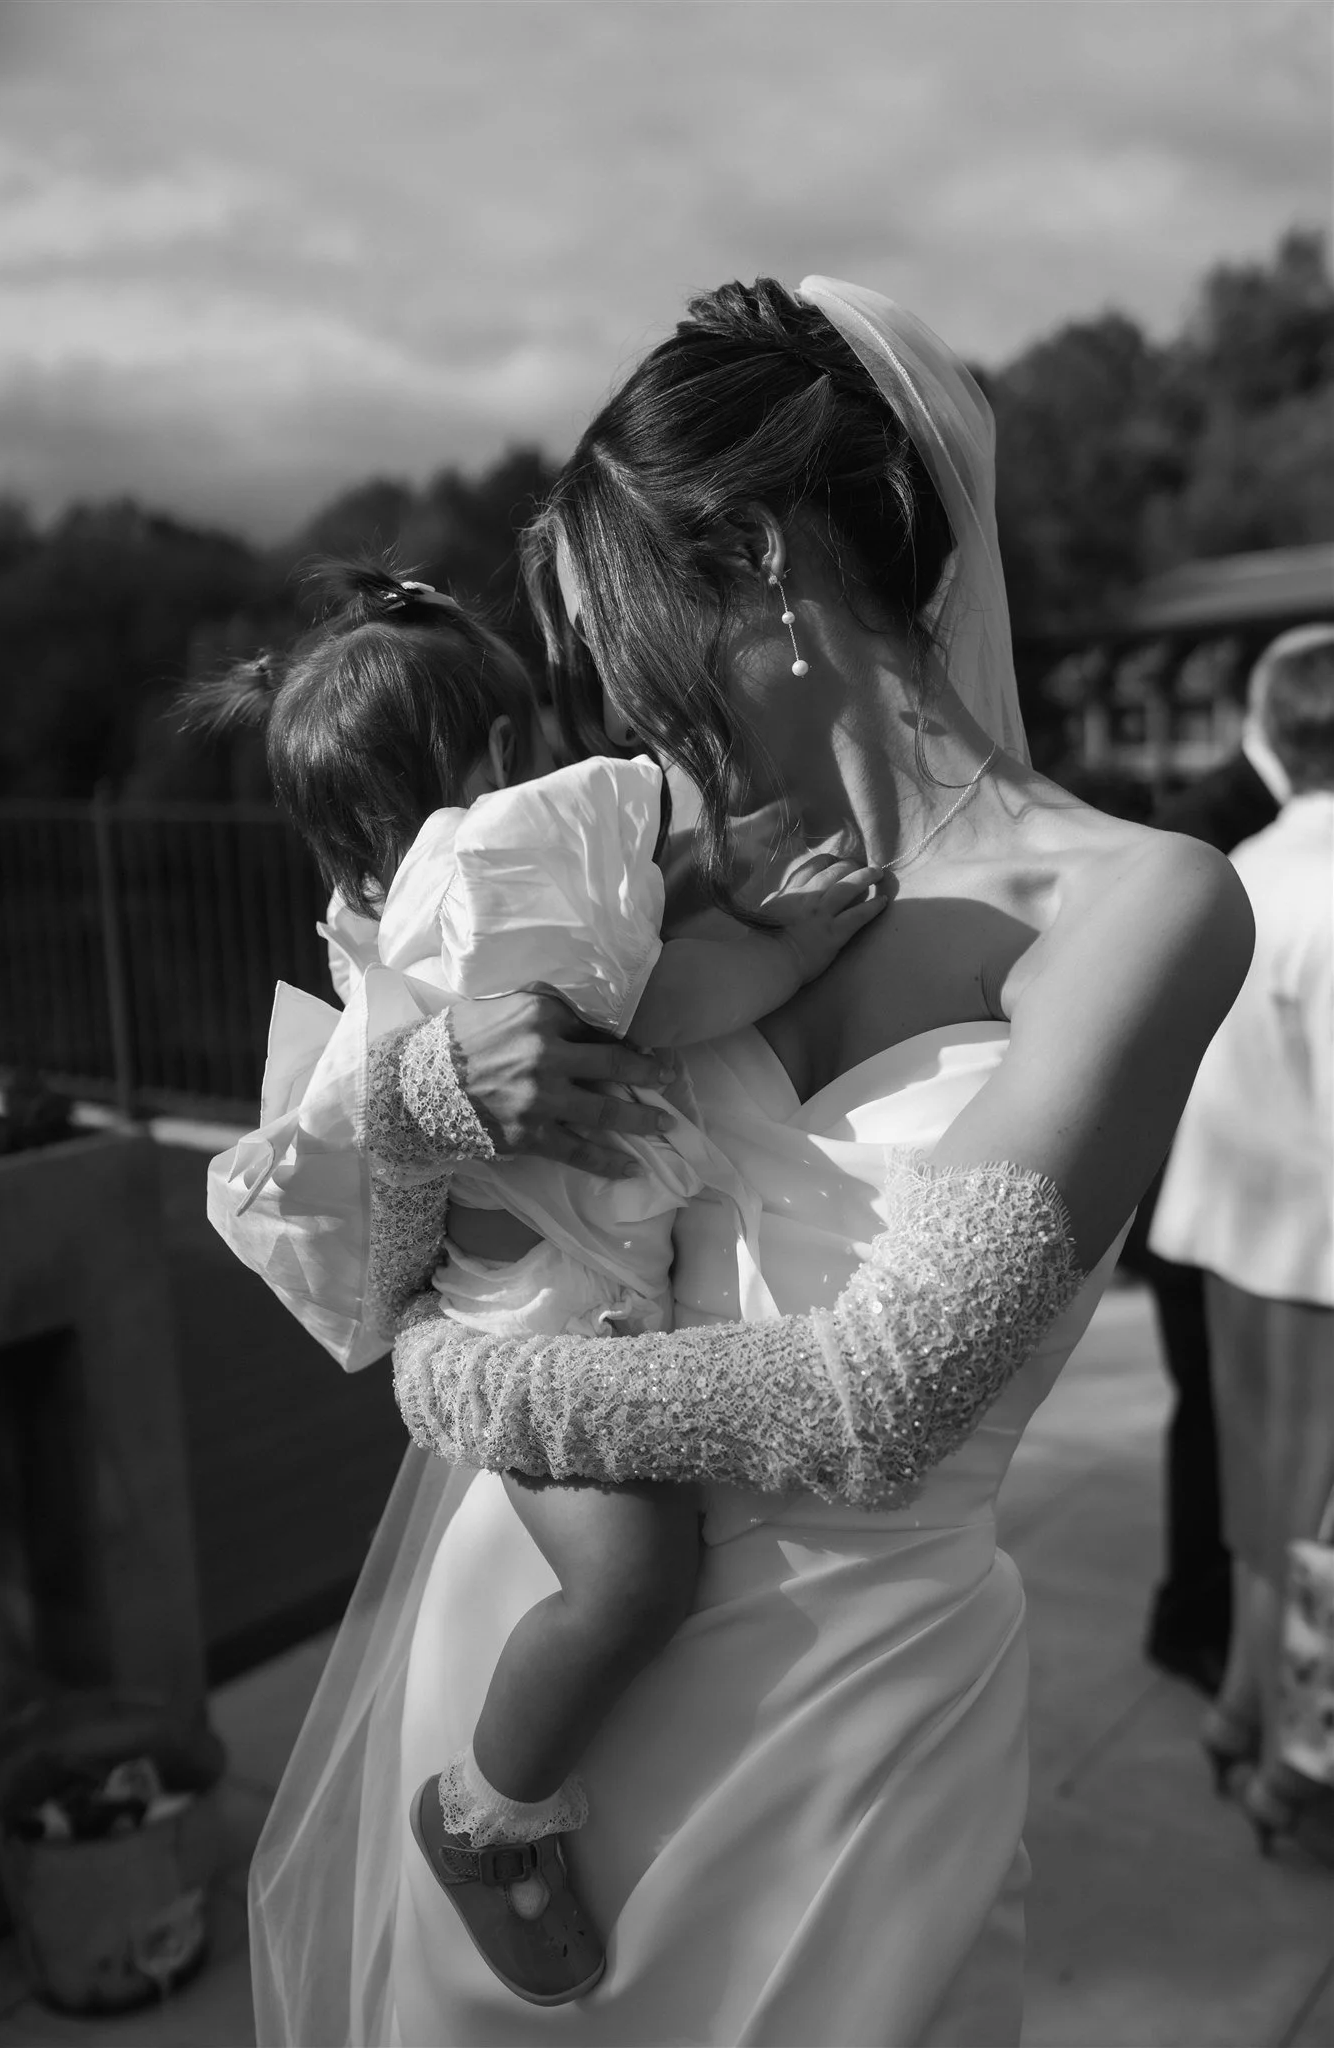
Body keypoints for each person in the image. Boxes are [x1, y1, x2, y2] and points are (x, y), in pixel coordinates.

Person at [249, 278, 1251, 2048]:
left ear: (768, 563)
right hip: (533, 1643)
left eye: (625, 624)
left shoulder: (1140, 902)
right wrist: (423, 1091)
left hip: (839, 1713)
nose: (612, 689)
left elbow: (881, 1394)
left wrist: (458, 1380)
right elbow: (400, 1236)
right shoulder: (663, 869)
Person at [199, 563, 884, 2004]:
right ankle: (486, 1813)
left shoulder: (407, 911)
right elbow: (655, 1001)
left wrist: (685, 881)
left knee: (635, 1585)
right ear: (504, 755)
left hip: (558, 1308)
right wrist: (784, 940)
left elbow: (618, 947)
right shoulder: (494, 870)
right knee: (633, 1583)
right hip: (545, 1341)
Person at [1149, 625, 1334, 1857]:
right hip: (1315, 1254)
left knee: (1265, 1509)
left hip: (1226, 1233)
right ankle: (1295, 1767)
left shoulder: (1247, 866)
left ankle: (1242, 1710)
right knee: (1315, 1526)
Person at [1130, 637, 1292, 1694]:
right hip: (1209, 1181)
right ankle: (1196, 1618)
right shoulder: (1207, 823)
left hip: (1259, 1190)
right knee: (1213, 1417)